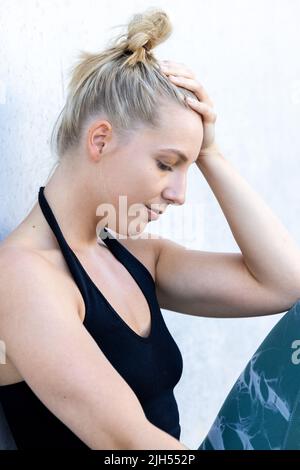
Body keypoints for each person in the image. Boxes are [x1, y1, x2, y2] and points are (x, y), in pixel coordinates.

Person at [0, 8, 300, 450]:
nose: (179, 194)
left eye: (188, 168)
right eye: (166, 164)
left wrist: (210, 153)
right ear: (100, 140)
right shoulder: (25, 278)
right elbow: (134, 446)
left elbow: (284, 285)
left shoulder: (136, 257)